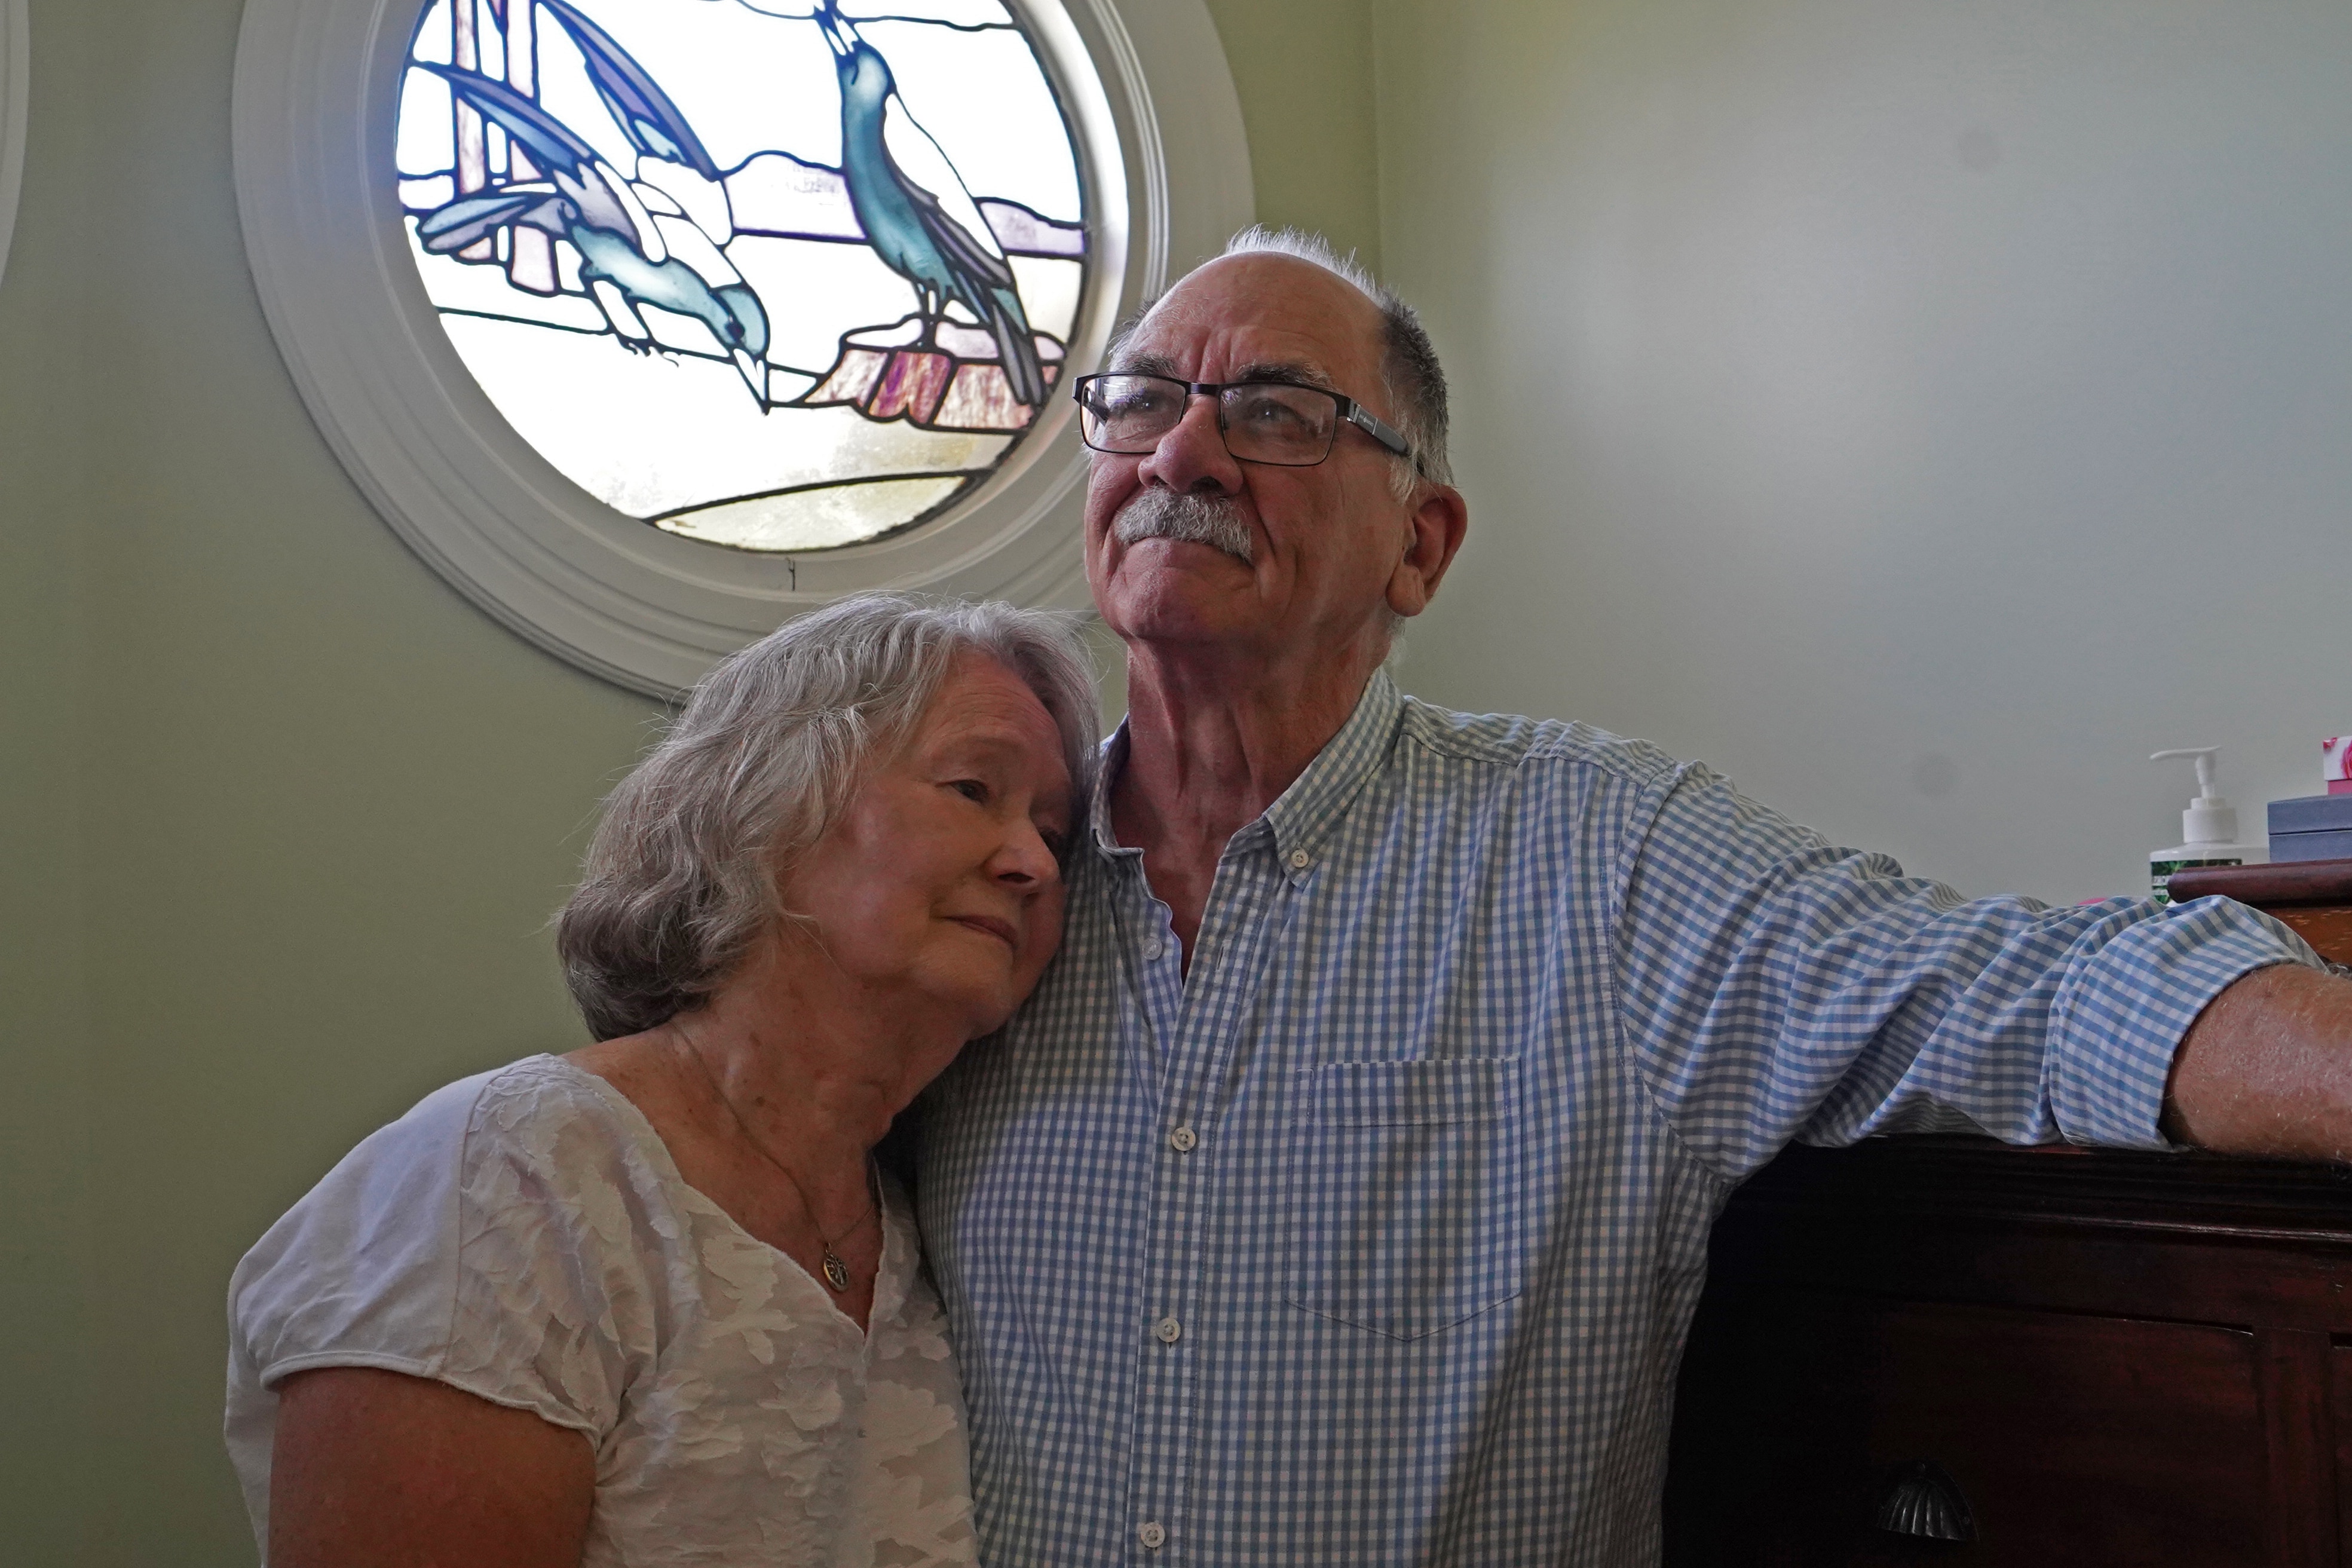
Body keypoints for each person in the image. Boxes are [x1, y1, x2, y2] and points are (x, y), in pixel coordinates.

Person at [911, 228, 2352, 1566]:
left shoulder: (1597, 862)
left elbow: (2025, 992)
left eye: (1276, 412)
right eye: (1143, 401)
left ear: (1421, 545)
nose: (1184, 452)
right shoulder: (968, 891)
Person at [224, 593, 1097, 1568]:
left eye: (1056, 835)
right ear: (771, 801)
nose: (1032, 863)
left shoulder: (929, 1227)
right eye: (974, 789)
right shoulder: (507, 1181)